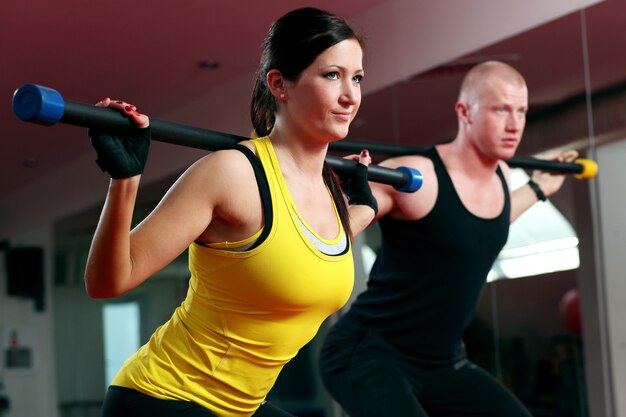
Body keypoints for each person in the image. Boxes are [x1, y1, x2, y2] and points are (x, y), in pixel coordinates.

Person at [84, 7, 377, 417]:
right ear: (280, 84)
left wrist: (364, 203)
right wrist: (125, 179)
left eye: (357, 77)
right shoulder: (233, 174)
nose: (350, 95)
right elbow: (107, 281)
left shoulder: (330, 195)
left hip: (239, 407)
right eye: (332, 75)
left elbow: (315, 246)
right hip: (164, 398)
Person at [319, 60, 579, 417]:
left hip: (443, 363)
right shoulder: (416, 176)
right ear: (464, 111)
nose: (514, 124)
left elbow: (484, 223)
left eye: (521, 110)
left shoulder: (502, 180)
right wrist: (327, 187)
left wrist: (539, 187)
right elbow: (330, 234)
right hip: (369, 354)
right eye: (500, 109)